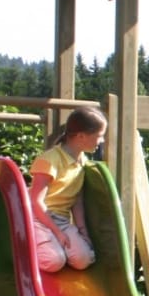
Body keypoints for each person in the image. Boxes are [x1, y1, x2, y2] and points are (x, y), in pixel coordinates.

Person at [29, 106, 108, 274]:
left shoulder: (81, 161)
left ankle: (57, 249)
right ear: (81, 136)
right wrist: (57, 232)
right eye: (99, 136)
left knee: (83, 260)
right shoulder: (49, 160)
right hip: (39, 219)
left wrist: (82, 231)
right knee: (55, 261)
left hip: (62, 220)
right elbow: (36, 201)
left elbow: (76, 199)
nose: (101, 141)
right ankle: (33, 249)